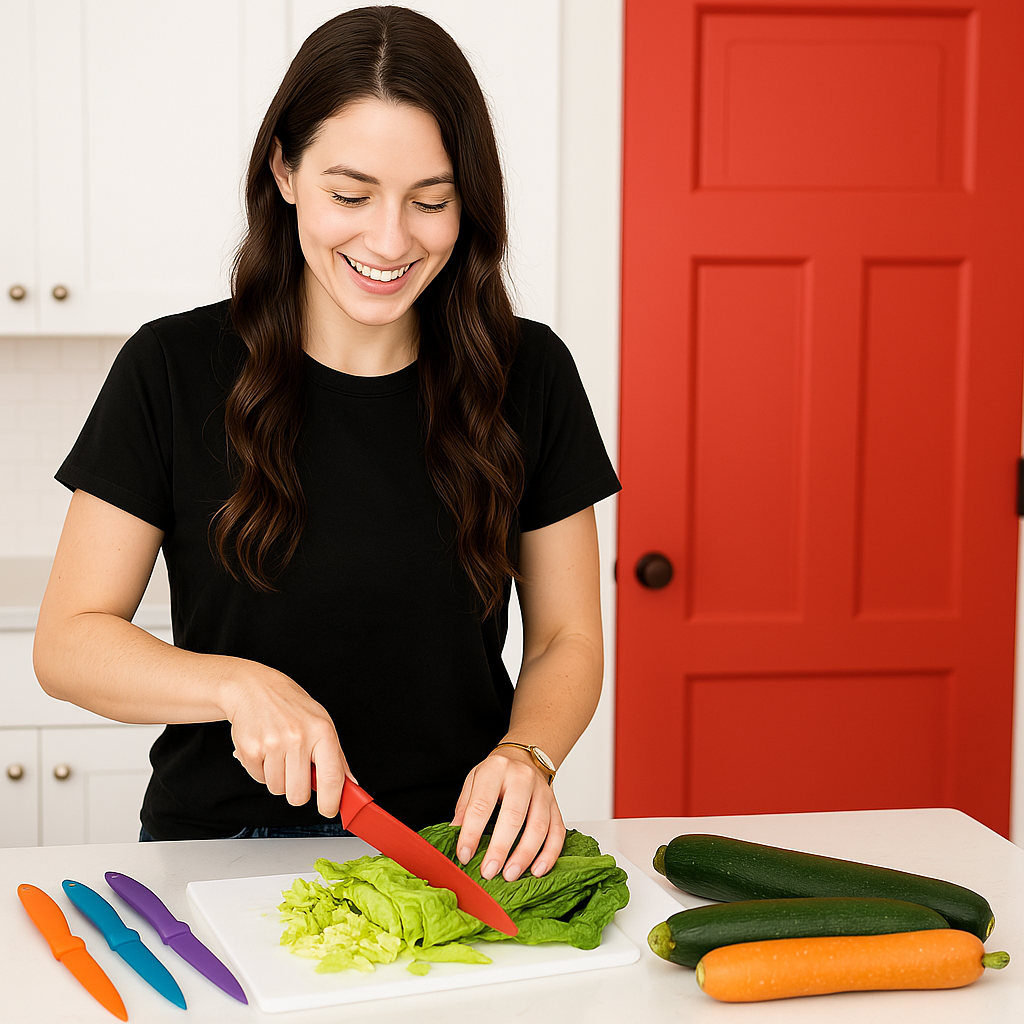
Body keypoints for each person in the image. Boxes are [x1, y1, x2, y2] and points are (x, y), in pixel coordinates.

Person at [32, 5, 619, 883]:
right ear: (285, 170)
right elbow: (68, 642)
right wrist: (233, 686)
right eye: (350, 195)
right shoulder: (171, 366)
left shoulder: (528, 371)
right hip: (220, 852)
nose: (389, 241)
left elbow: (567, 636)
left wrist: (527, 756)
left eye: (431, 201)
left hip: (455, 849)